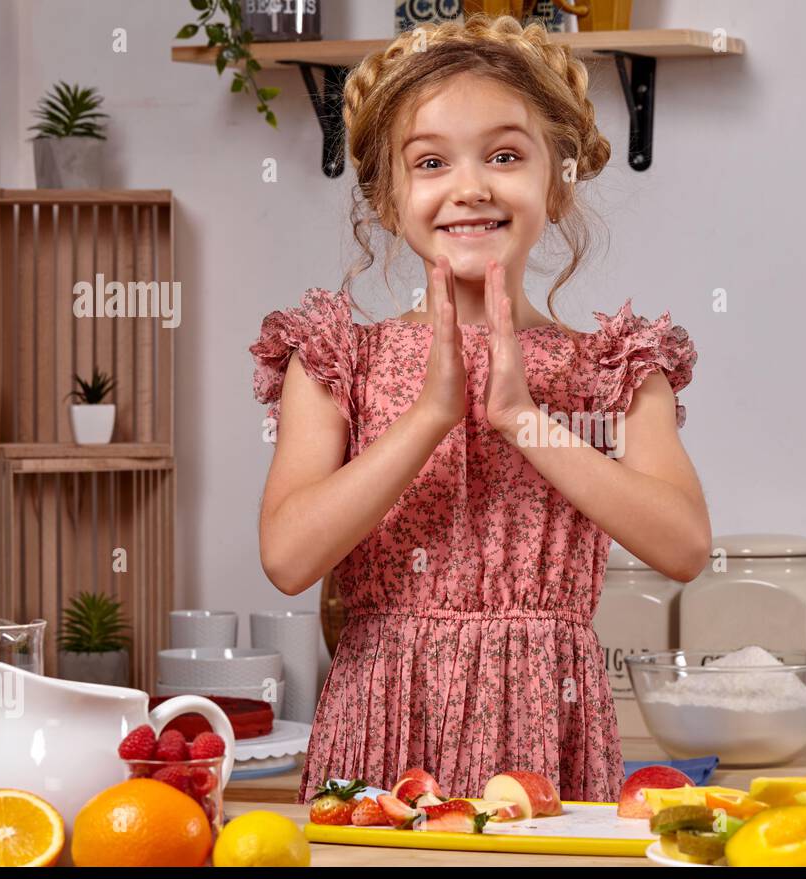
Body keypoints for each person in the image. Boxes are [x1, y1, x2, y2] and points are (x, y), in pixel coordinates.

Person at [248, 14, 710, 804]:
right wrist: (432, 412)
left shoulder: (616, 368)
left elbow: (684, 546)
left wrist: (523, 418)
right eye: (431, 162)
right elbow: (289, 559)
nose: (471, 187)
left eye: (504, 155)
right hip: (381, 722)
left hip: (546, 731)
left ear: (555, 183)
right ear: (390, 200)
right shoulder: (334, 361)